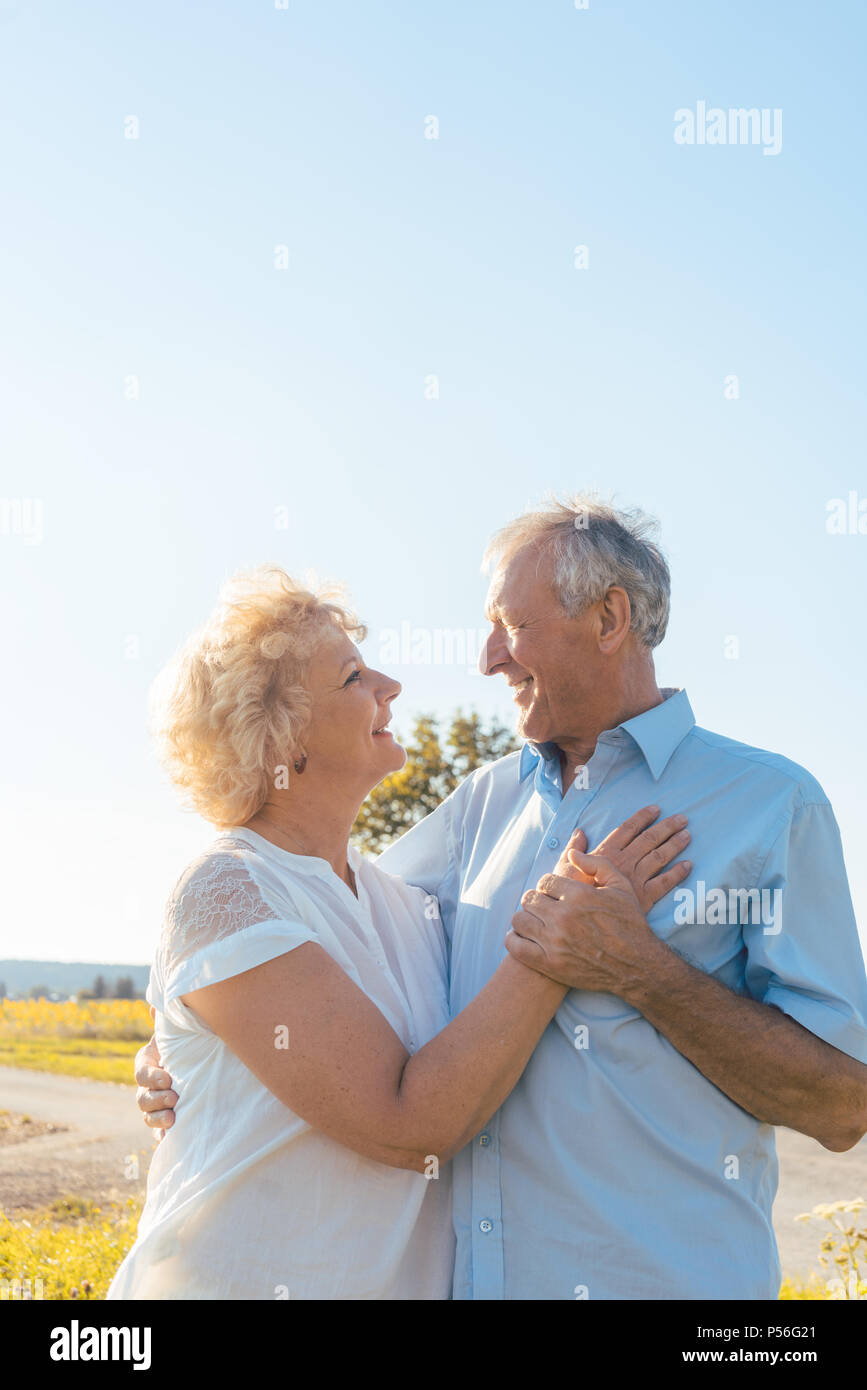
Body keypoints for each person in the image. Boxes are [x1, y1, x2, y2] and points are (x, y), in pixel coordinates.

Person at [139, 496, 867, 1300]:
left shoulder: (771, 805)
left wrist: (643, 972)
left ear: (608, 617)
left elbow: (842, 1106)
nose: (486, 659)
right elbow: (297, 937)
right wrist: (191, 1049)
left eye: (508, 626)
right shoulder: (474, 812)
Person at [112, 562, 688, 1300]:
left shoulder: (399, 895)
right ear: (280, 734)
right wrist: (560, 940)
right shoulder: (228, 887)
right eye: (353, 677)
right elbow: (405, 1123)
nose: (389, 686)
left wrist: (174, 1054)